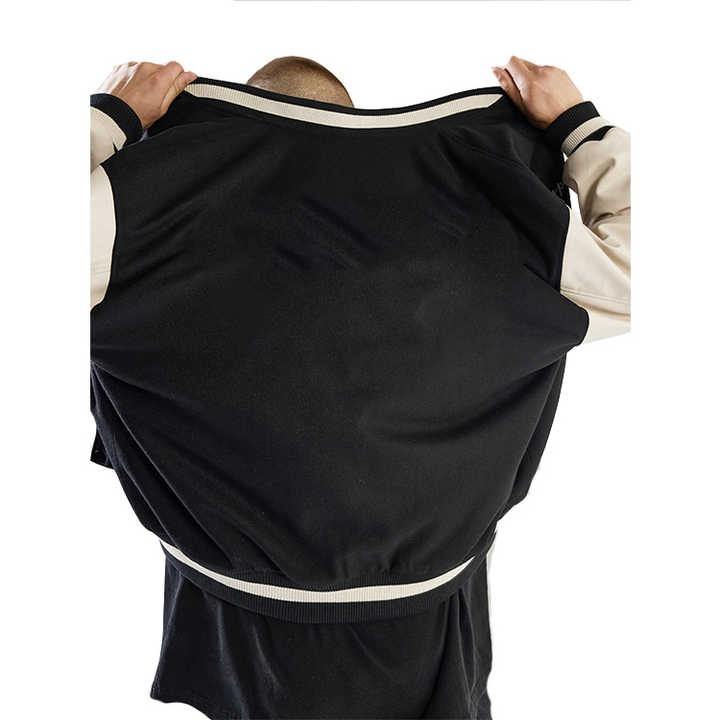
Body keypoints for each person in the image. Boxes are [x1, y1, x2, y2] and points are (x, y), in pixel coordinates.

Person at [90, 56, 630, 719]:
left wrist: (111, 118)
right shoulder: (493, 218)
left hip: (231, 602)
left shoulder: (146, 220)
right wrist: (579, 125)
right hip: (424, 618)